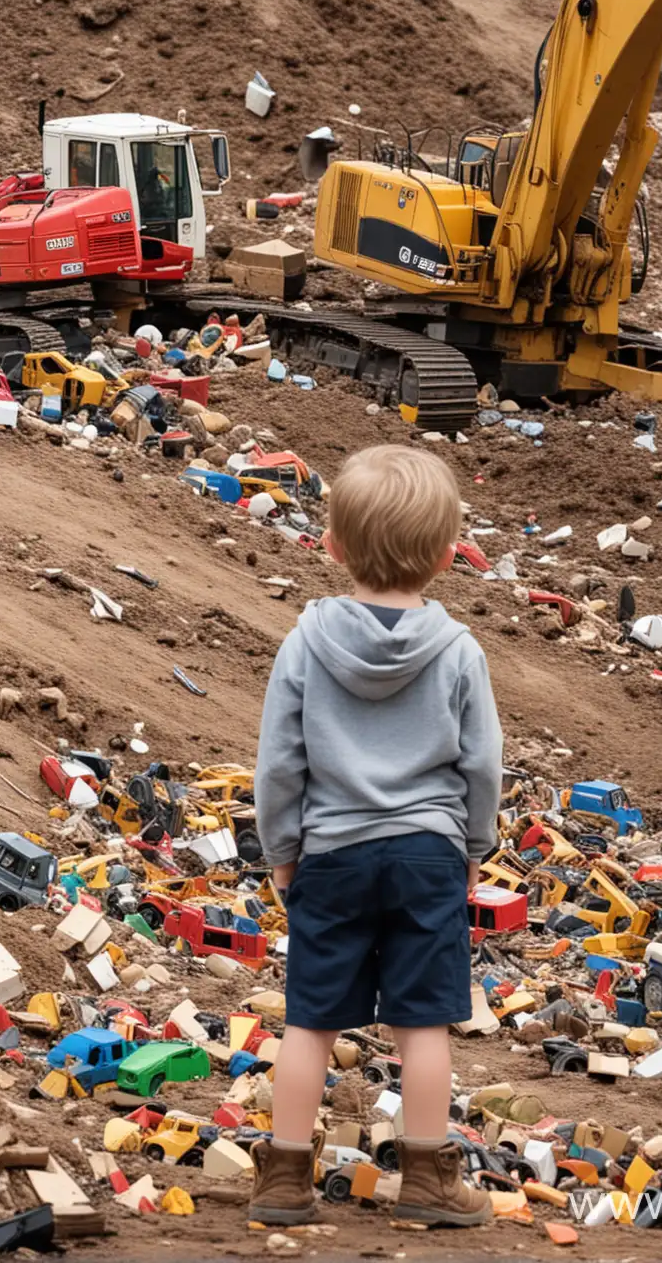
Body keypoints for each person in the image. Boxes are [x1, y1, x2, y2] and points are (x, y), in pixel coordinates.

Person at [251, 444, 503, 1228]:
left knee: (311, 1022)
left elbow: (279, 766)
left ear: (331, 547)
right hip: (428, 853)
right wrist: (473, 848)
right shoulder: (459, 651)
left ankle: (285, 1179)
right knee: (422, 1024)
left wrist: (281, 854)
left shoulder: (305, 644)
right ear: (443, 555)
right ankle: (427, 1179)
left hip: (330, 852)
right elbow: (482, 764)